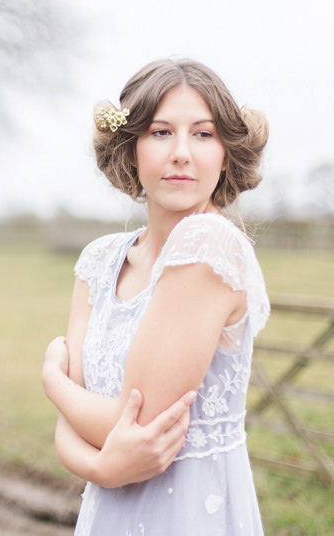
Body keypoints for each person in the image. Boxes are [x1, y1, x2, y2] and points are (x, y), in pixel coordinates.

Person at [41, 58, 270, 535]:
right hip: (107, 512)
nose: (182, 152)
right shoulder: (100, 260)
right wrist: (101, 470)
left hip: (187, 514)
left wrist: (52, 382)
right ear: (131, 150)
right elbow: (80, 421)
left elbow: (138, 422)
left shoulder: (208, 246)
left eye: (203, 134)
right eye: (161, 132)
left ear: (226, 153)